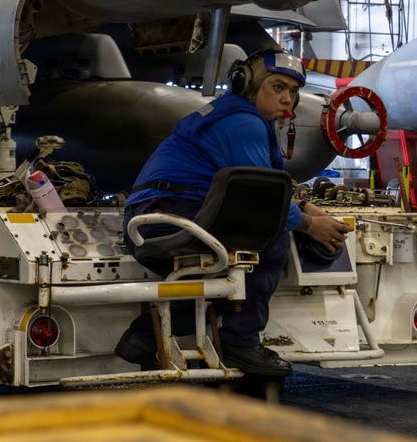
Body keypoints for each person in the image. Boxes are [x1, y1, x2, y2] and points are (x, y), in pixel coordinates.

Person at [117, 48, 351, 375]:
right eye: (278, 87)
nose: (288, 98)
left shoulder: (239, 116)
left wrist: (306, 206)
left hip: (156, 215)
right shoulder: (244, 124)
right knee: (270, 237)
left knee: (227, 266)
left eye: (294, 91)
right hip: (168, 215)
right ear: (245, 83)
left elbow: (265, 186)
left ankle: (142, 337)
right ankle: (240, 343)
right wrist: (311, 225)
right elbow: (262, 199)